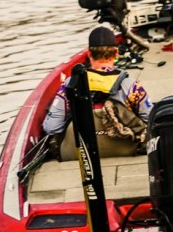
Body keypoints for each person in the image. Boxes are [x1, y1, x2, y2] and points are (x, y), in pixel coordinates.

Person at [42, 26, 152, 157]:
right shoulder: (132, 86)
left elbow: (51, 127)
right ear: (116, 53)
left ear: (89, 54)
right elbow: (151, 120)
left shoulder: (70, 84)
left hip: (78, 154)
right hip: (124, 150)